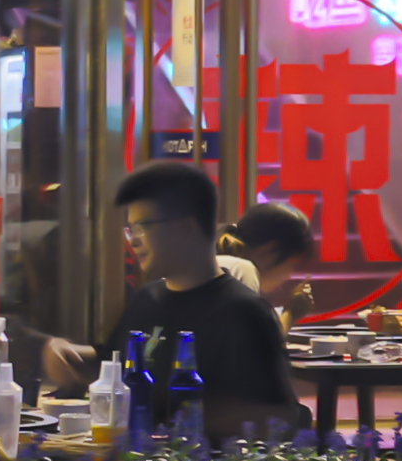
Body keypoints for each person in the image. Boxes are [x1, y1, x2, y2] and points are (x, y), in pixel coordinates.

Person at [90, 161, 298, 441]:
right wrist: (62, 356)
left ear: (186, 228)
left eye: (142, 227)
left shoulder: (245, 313)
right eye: (130, 229)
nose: (133, 241)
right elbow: (111, 369)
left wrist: (202, 419)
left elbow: (278, 418)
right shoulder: (145, 300)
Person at [217, 200, 320, 314]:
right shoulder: (242, 271)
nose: (288, 276)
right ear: (271, 249)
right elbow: (248, 326)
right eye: (293, 265)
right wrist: (291, 313)